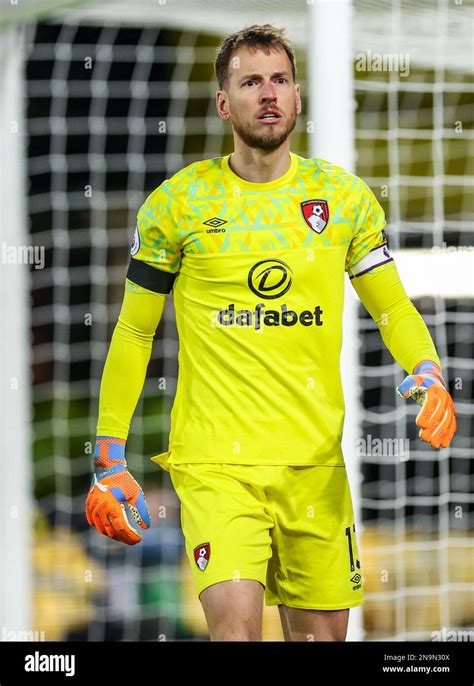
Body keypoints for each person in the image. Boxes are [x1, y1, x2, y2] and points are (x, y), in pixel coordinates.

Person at [85, 24, 456, 641]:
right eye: (250, 81)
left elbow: (392, 308)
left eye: (279, 79)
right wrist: (108, 456)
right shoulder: (178, 204)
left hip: (314, 466)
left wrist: (429, 369)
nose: (268, 94)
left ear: (298, 96)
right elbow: (132, 332)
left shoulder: (342, 200)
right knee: (237, 634)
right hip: (215, 467)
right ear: (224, 103)